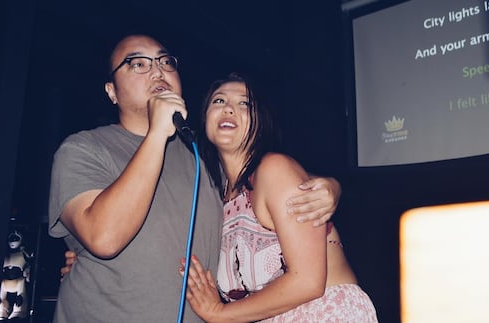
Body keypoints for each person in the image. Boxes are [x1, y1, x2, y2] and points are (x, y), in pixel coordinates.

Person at [48, 34, 341, 322]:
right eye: (138, 64)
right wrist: (157, 132)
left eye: (165, 62)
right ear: (111, 91)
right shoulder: (84, 148)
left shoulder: (200, 159)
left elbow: (267, 182)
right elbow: (105, 237)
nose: (157, 70)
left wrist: (330, 187)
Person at [181, 73, 378, 322]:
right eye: (219, 101)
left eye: (244, 103)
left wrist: (218, 313)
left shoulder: (274, 168)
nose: (229, 108)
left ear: (260, 121)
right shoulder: (217, 196)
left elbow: (307, 281)